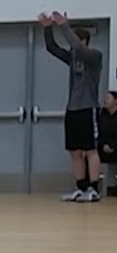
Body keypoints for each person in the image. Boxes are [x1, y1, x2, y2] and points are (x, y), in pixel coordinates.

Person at [40, 11, 104, 202]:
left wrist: (64, 26)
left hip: (88, 108)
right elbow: (52, 48)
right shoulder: (72, 58)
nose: (72, 45)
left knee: (90, 150)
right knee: (74, 151)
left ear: (83, 40)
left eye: (75, 41)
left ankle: (93, 189)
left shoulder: (94, 56)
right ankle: (81, 187)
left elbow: (79, 48)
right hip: (72, 109)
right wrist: (47, 28)